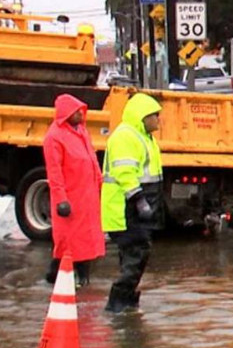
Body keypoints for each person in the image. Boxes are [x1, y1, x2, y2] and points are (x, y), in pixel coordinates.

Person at [100, 93, 165, 313]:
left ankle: (125, 302)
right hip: (125, 209)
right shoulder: (126, 136)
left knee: (133, 255)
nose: (158, 120)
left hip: (134, 208)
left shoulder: (144, 137)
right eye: (155, 115)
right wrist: (138, 200)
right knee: (137, 253)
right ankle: (118, 301)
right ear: (142, 116)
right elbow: (124, 171)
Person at [42, 93, 105, 287]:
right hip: (72, 197)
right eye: (76, 111)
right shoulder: (54, 137)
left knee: (84, 241)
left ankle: (78, 276)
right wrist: (61, 199)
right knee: (70, 242)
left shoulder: (81, 132)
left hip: (86, 196)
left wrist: (99, 183)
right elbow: (54, 172)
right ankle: (65, 275)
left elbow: (91, 159)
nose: (80, 114)